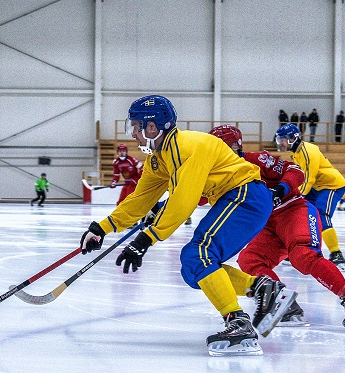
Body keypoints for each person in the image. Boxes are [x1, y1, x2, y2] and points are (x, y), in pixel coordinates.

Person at [80, 95, 297, 356]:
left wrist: (146, 239)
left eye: (135, 126)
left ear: (152, 127)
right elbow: (140, 199)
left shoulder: (189, 146)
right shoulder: (159, 158)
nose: (133, 134)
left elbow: (184, 199)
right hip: (237, 199)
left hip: (246, 196)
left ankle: (238, 323)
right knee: (193, 269)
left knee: (198, 254)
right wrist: (102, 228)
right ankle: (264, 289)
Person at [211, 125, 345, 332]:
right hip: (268, 224)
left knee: (302, 256)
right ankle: (284, 303)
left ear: (237, 146)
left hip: (294, 211)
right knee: (250, 260)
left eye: (226, 146)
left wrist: (282, 188)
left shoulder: (257, 159)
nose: (222, 151)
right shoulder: (216, 174)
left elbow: (294, 170)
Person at [275, 123, 345, 271]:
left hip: (331, 185)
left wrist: (293, 196)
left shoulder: (308, 151)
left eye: (283, 140)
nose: (281, 143)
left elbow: (308, 179)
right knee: (301, 213)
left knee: (322, 215)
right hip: (318, 186)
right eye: (279, 140)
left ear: (293, 138)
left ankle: (336, 254)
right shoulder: (296, 152)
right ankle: (302, 250)